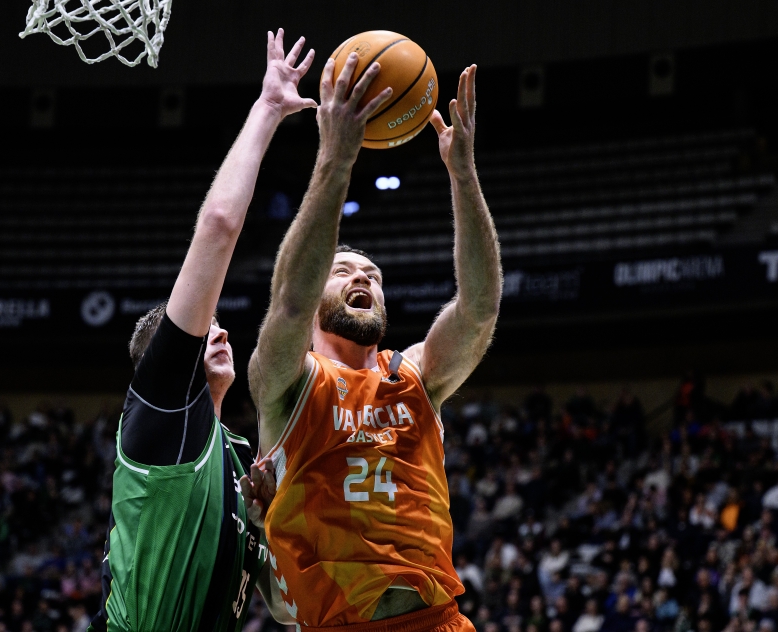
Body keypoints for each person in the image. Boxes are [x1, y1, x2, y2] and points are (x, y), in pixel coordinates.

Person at [250, 54, 500, 629]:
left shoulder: (414, 377)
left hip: (438, 621)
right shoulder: (288, 382)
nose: (362, 277)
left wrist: (463, 175)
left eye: (373, 275)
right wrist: (336, 158)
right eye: (342, 271)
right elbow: (289, 302)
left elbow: (479, 310)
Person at [88, 29, 316, 632]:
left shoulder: (240, 458)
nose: (218, 332)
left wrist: (270, 524)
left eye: (219, 324)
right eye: (201, 326)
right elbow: (218, 225)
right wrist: (268, 108)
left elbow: (279, 604)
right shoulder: (161, 412)